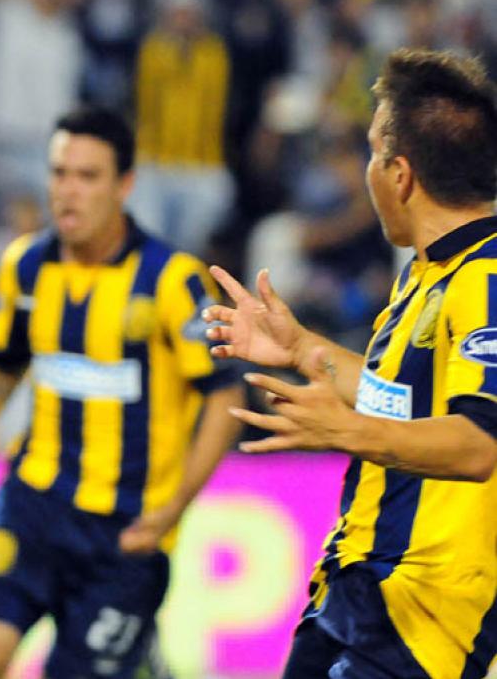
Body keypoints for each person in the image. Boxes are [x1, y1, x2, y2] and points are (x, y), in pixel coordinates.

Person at [0, 106, 244, 679]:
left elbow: (224, 398)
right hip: (32, 506)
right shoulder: (26, 266)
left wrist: (175, 506)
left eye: (88, 176)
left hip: (125, 530)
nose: (69, 190)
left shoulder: (171, 280)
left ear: (124, 185)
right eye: (60, 173)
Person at [205, 48, 497, 677]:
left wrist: (346, 432)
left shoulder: (489, 279)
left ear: (401, 174)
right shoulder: (428, 274)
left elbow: (480, 445)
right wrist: (300, 349)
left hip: (423, 615)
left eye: (371, 153)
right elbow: (398, 401)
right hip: (356, 586)